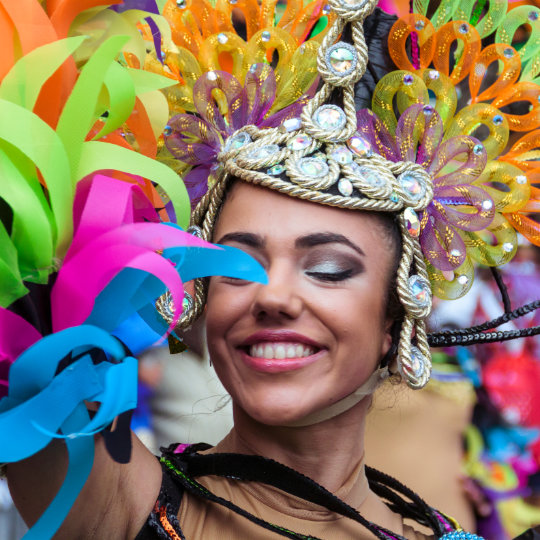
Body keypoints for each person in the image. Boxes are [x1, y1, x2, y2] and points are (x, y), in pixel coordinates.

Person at [3, 0, 540, 539]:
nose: (272, 295)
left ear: (395, 318)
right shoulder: (115, 504)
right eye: (238, 265)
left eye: (328, 269)